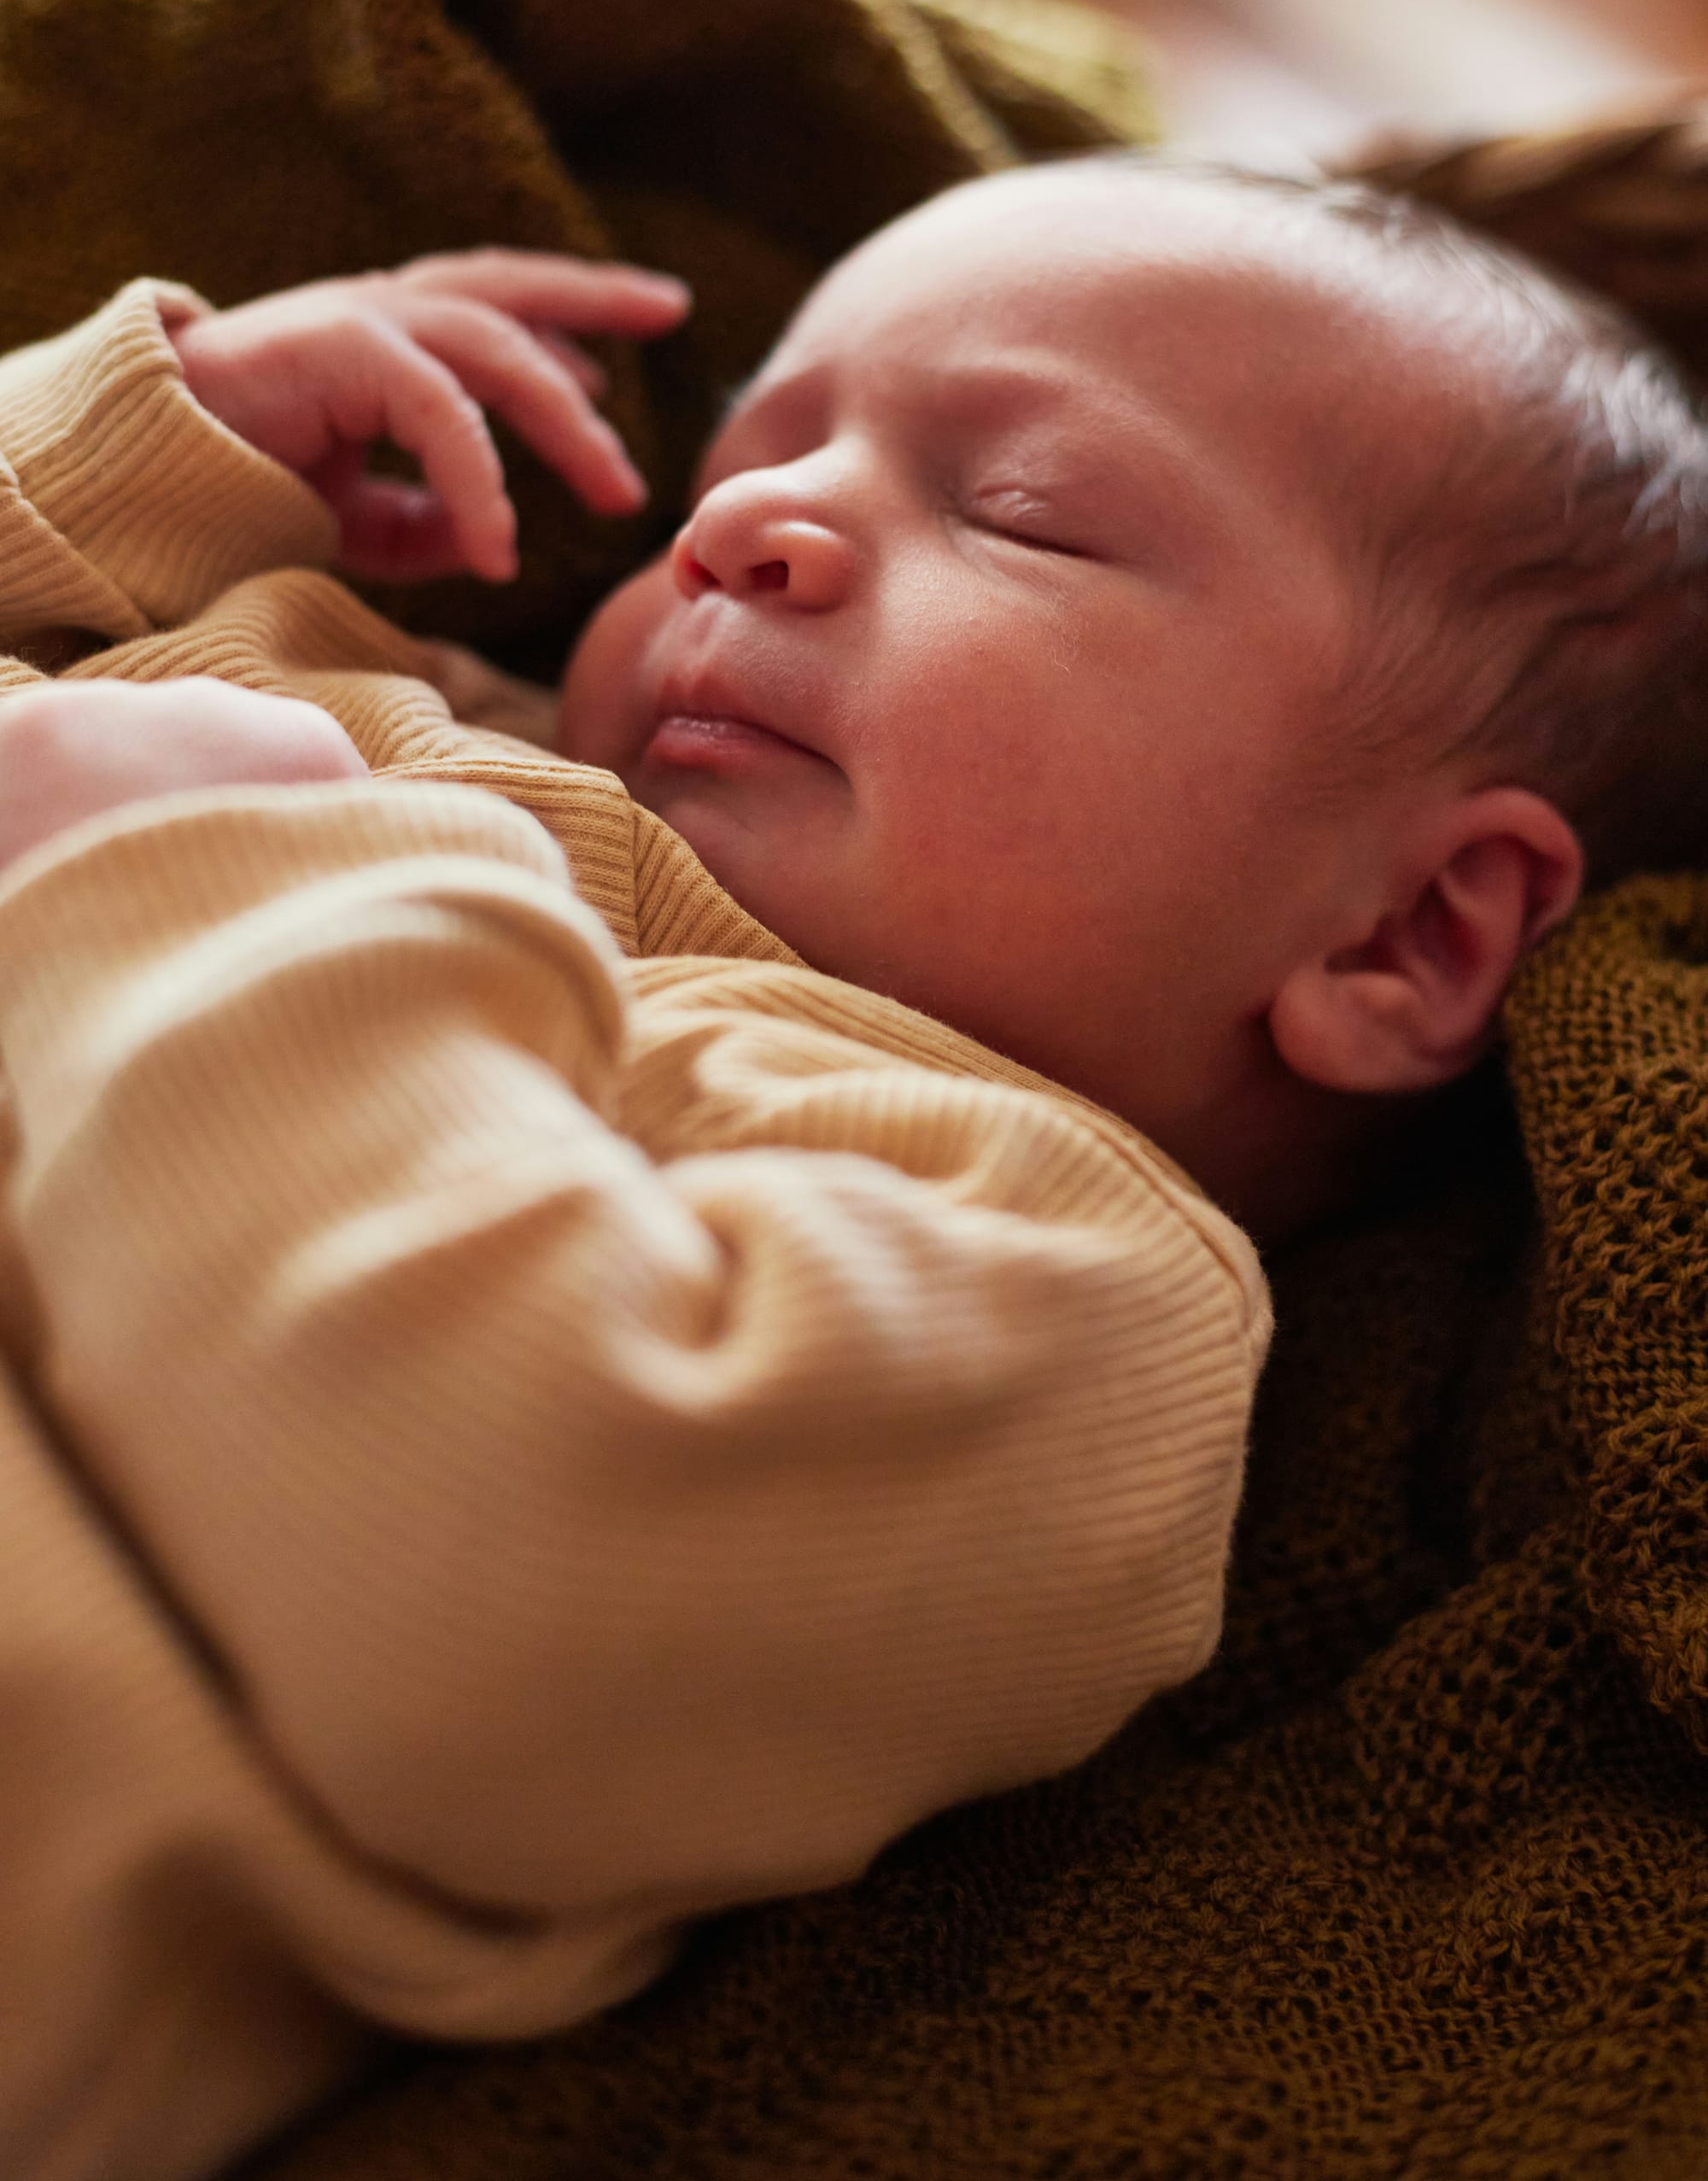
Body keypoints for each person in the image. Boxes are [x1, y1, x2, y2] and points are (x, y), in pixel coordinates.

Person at [0, 151, 1701, 2181]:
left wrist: (189, 881)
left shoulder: (1047, 1282)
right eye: (754, 448)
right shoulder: (409, 715)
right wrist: (147, 446)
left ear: (1395, 939)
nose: (741, 524)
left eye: (1022, 514)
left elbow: (497, 1612)